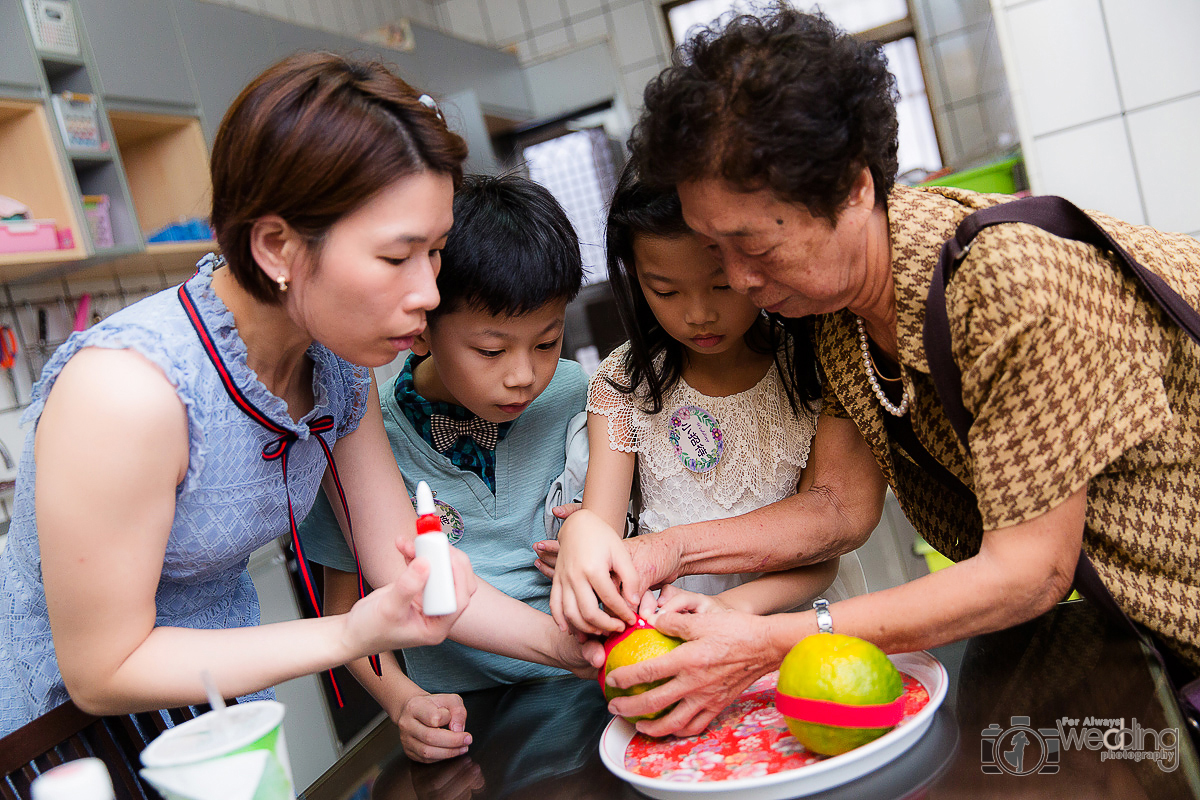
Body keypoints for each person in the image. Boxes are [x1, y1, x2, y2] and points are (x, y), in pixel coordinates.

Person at [588, 8, 1200, 738]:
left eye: (753, 246)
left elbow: (1028, 572)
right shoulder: (839, 314)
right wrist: (660, 553)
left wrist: (767, 642)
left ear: (853, 188)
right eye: (716, 250)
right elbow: (839, 509)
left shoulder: (1009, 283)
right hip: (1148, 637)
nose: (740, 280)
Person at [0, 52, 489, 736]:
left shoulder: (335, 363)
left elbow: (397, 556)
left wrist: (569, 645)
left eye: (434, 250)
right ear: (276, 248)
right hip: (62, 741)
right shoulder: (128, 392)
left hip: (216, 711)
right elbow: (103, 670)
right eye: (394, 256)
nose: (429, 293)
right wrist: (352, 634)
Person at [298, 174, 592, 763]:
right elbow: (342, 612)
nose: (523, 375)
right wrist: (402, 699)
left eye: (547, 342)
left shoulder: (577, 395)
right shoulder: (363, 436)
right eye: (491, 350)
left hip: (589, 688)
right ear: (422, 327)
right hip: (470, 714)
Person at [537, 164, 861, 636]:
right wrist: (584, 543)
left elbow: (822, 555)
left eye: (722, 285)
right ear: (635, 279)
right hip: (674, 632)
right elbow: (601, 534)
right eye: (665, 291)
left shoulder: (813, 368)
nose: (699, 314)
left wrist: (728, 608)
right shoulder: (623, 386)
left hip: (798, 629)